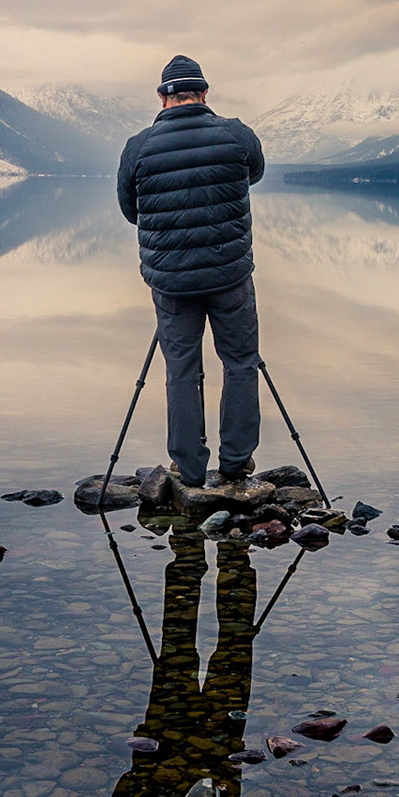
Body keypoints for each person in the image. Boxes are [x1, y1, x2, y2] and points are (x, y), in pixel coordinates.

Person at [116, 54, 266, 489]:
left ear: (163, 98)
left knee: (180, 368)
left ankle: (190, 468)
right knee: (240, 362)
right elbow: (252, 174)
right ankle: (237, 462)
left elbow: (131, 211)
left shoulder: (138, 147)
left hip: (171, 281)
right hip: (229, 276)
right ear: (204, 94)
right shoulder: (237, 135)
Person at [107, 530, 257, 797]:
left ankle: (223, 554)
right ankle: (217, 551)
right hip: (171, 741)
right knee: (184, 652)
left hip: (212, 745)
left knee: (228, 651)